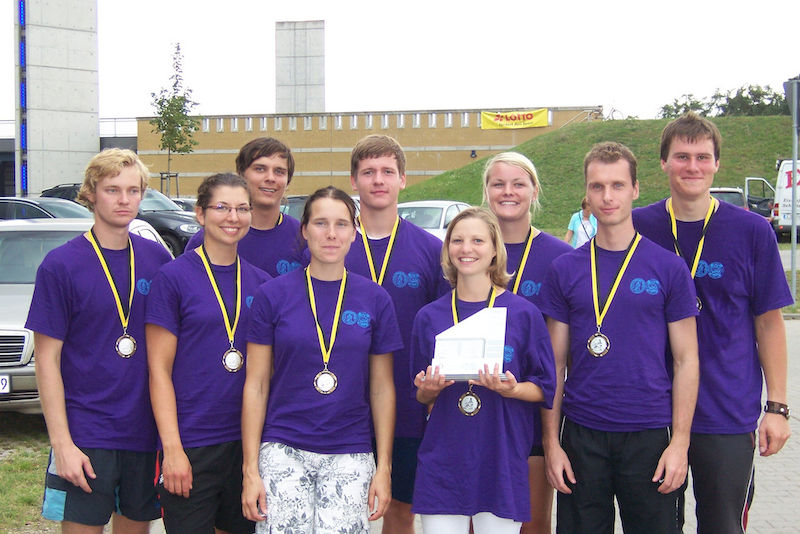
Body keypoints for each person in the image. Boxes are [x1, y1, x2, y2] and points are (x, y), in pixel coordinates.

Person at [632, 112, 793, 534]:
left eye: (703, 157)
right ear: (663, 162)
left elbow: (769, 324)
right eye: (682, 156)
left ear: (717, 164)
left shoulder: (752, 231)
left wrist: (777, 407)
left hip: (726, 410)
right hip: (651, 411)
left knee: (722, 526)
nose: (693, 167)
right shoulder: (637, 226)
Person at [540, 141, 700, 534]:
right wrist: (552, 444)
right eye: (597, 186)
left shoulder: (668, 267)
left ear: (636, 189)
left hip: (650, 434)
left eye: (617, 185)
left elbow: (687, 360)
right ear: (587, 193)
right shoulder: (565, 269)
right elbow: (553, 365)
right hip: (582, 434)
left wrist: (680, 443)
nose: (607, 197)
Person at [26, 149, 172, 533]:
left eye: (133, 190)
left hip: (144, 433)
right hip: (86, 434)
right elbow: (46, 361)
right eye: (112, 190)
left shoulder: (157, 259)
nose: (124, 200)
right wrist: (62, 444)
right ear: (90, 193)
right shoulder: (61, 265)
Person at [241, 186, 402, 533]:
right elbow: (256, 385)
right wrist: (250, 469)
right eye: (320, 223)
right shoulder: (272, 295)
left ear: (354, 233)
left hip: (350, 450)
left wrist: (384, 468)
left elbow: (382, 389)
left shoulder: (375, 299)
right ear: (304, 230)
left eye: (341, 224)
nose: (331, 234)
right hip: (284, 446)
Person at [410, 207, 556, 534]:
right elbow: (420, 395)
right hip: (444, 461)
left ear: (494, 250)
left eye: (478, 240)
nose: (467, 248)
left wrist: (512, 389)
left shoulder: (523, 314)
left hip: (500, 458)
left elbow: (544, 387)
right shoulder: (429, 316)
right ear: (447, 248)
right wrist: (428, 390)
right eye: (457, 240)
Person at [146, 173, 270, 533]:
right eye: (222, 207)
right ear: (200, 214)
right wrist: (172, 448)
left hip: (247, 442)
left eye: (242, 208)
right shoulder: (173, 278)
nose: (233, 217)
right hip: (192, 441)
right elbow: (158, 371)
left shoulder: (262, 283)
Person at [344, 134, 451, 533]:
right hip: (342, 400)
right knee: (342, 509)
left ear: (403, 179)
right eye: (368, 172)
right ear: (353, 181)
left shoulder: (430, 250)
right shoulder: (333, 244)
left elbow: (444, 327)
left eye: (388, 171)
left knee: (401, 509)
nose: (378, 180)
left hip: (408, 401)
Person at [481, 152, 572, 534]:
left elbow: (561, 354)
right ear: (486, 191)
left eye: (518, 184)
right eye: (498, 183)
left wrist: (552, 437)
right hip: (477, 408)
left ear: (534, 191)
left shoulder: (560, 258)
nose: (508, 191)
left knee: (533, 525)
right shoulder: (467, 250)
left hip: (534, 413)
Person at [186, 137, 306, 277]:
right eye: (260, 169)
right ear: (242, 175)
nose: (270, 178)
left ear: (288, 180)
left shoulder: (304, 238)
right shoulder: (209, 239)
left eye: (279, 171)